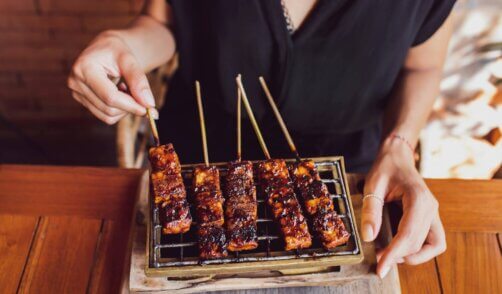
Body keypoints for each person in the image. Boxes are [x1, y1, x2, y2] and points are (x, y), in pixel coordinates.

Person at [67, 0, 455, 278]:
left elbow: (423, 67)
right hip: (200, 159)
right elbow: (165, 21)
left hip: (355, 180)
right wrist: (122, 44)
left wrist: (400, 145)